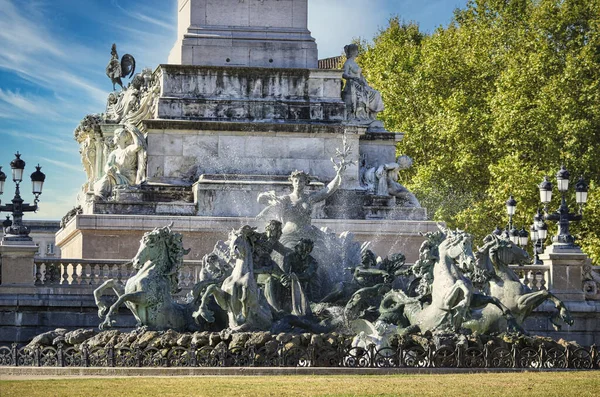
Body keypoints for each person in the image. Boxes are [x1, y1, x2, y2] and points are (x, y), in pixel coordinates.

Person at [93, 126, 144, 200]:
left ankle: (101, 196)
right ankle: (100, 195)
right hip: (118, 176)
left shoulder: (128, 149)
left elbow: (138, 146)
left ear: (119, 138)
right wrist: (108, 169)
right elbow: (108, 164)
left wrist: (133, 132)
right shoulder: (114, 153)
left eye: (115, 136)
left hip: (129, 178)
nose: (113, 138)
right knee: (106, 177)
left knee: (108, 177)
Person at [342, 44, 384, 121]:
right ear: (354, 51)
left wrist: (367, 85)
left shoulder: (354, 63)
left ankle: (372, 116)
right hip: (353, 85)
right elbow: (344, 74)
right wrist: (353, 78)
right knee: (373, 94)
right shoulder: (348, 62)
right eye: (357, 50)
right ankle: (365, 115)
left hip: (360, 85)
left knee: (376, 93)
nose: (358, 52)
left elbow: (361, 77)